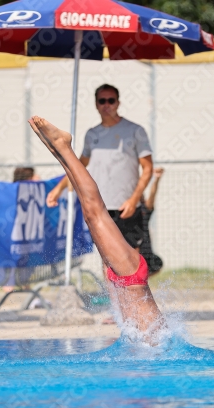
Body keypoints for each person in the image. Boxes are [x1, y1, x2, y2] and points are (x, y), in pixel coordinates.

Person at [29, 116, 165, 341]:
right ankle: (63, 146)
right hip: (132, 279)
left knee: (90, 212)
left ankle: (58, 148)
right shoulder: (159, 345)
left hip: (127, 281)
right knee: (95, 211)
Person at [46, 84, 153, 322]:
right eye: (102, 101)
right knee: (108, 262)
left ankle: (136, 309)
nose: (107, 105)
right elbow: (78, 165)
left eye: (111, 100)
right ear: (96, 104)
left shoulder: (135, 131)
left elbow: (148, 168)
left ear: (118, 102)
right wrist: (58, 189)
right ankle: (119, 311)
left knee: (132, 261)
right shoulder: (92, 134)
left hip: (127, 206)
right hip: (101, 208)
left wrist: (135, 198)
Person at [140, 168, 164, 276]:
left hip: (145, 250)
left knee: (157, 264)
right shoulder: (124, 212)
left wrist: (157, 179)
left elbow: (152, 195)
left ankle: (142, 282)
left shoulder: (144, 211)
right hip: (133, 249)